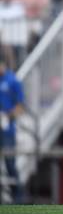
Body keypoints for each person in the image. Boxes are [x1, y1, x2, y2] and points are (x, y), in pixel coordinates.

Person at [0, 55, 25, 203]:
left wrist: (8, 116)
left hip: (7, 129)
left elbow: (20, 106)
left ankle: (18, 198)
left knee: (10, 162)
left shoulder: (12, 80)